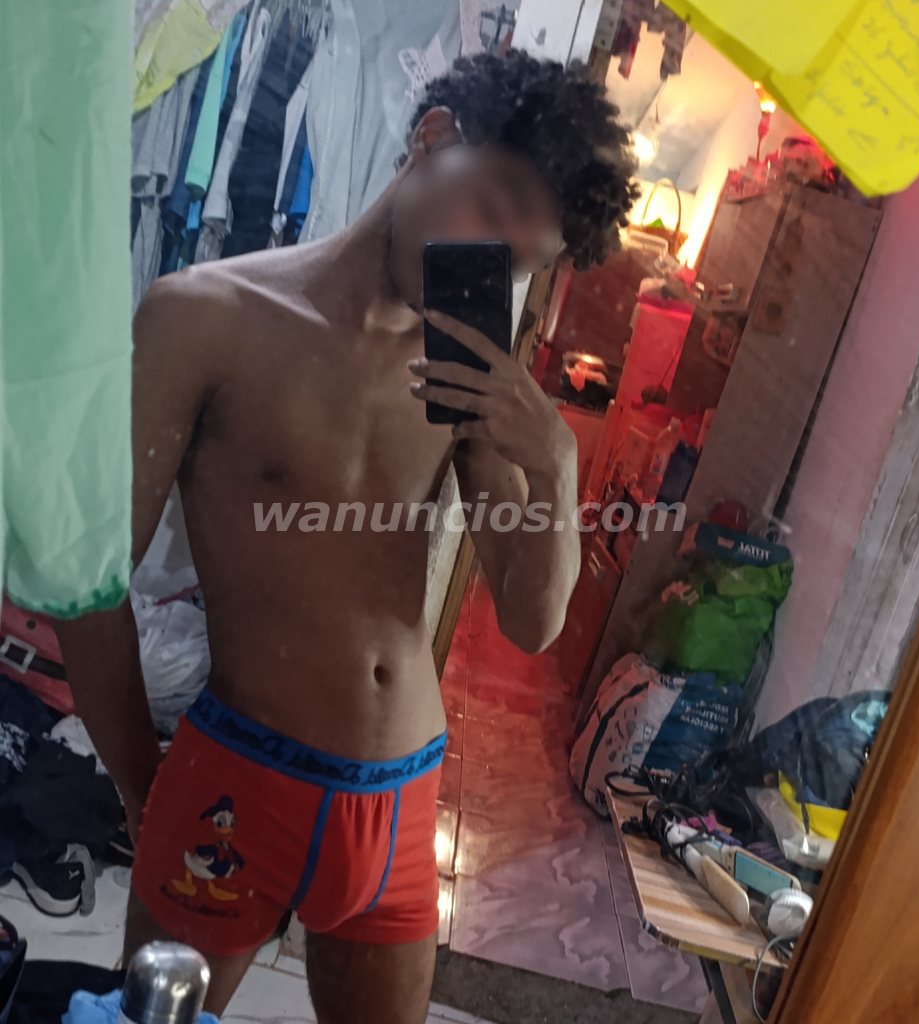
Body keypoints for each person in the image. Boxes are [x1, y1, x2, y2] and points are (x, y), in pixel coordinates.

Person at [55, 50, 637, 1024]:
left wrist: (555, 460)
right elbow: (90, 579)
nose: (489, 258)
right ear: (433, 137)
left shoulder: (465, 363)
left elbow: (533, 620)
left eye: (520, 256)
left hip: (399, 799)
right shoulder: (206, 319)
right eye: (493, 207)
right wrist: (137, 781)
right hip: (237, 776)